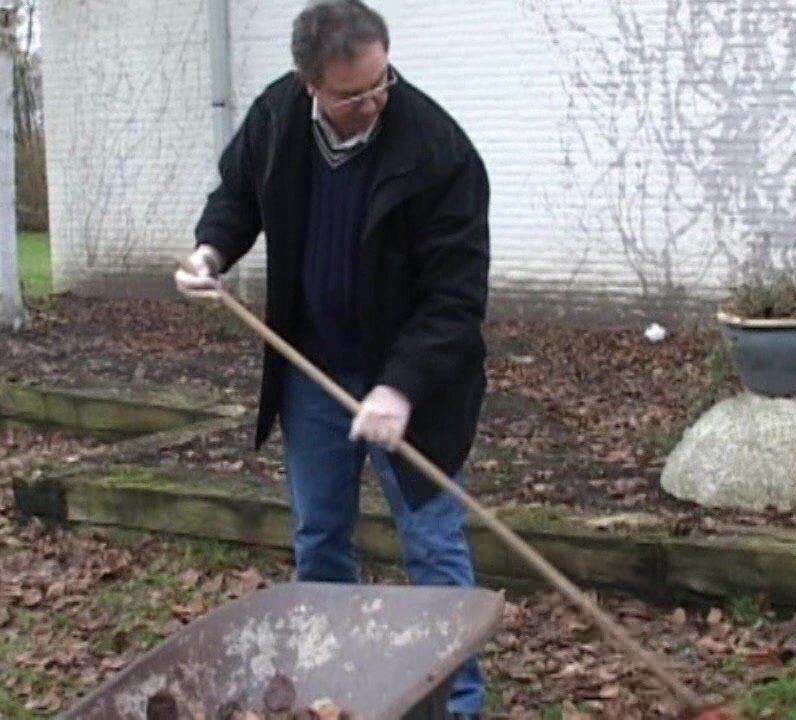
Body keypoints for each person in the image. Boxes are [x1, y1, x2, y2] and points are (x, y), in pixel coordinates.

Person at [173, 1, 491, 716]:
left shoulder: (437, 149)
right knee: (320, 538)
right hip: (312, 372)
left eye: (383, 79)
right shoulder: (278, 121)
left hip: (419, 386)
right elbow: (237, 196)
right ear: (308, 83)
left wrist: (400, 389)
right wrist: (210, 252)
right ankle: (333, 686)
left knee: (435, 549)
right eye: (354, 93)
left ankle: (460, 703)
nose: (375, 99)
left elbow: (456, 298)